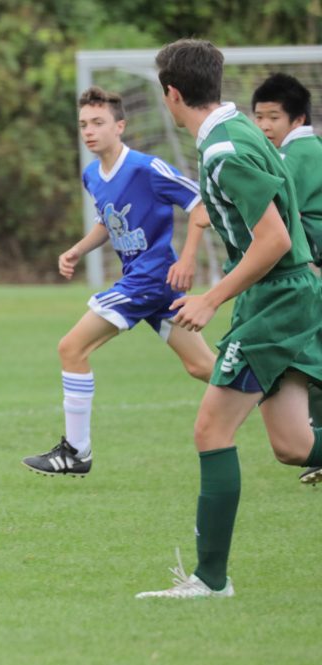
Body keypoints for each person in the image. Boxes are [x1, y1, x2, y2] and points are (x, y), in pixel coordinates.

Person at [136, 39, 322, 599]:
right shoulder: (237, 130)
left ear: (172, 93)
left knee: (211, 429)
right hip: (283, 294)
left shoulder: (225, 150)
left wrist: (211, 298)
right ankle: (210, 579)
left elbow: (275, 238)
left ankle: (210, 580)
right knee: (292, 444)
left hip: (276, 298)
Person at [22, 86, 216, 477]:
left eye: (98, 122)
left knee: (71, 347)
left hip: (151, 278)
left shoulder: (147, 168)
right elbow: (109, 224)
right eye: (83, 124)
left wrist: (189, 258)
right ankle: (286, 394)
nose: (89, 131)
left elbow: (201, 203)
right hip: (143, 283)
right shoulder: (92, 174)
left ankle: (76, 452)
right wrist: (78, 250)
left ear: (120, 125)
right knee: (202, 367)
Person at [251, 73, 322, 486]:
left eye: (272, 117)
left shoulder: (299, 152)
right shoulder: (302, 149)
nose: (263, 126)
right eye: (258, 117)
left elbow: (274, 199)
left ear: (297, 119)